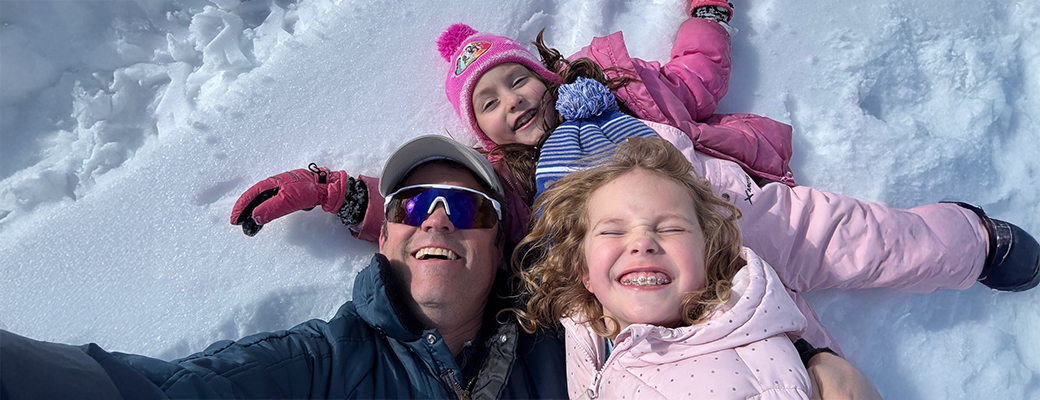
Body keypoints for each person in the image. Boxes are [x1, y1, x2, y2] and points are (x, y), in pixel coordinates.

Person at [230, 1, 1039, 353]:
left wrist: (708, 13)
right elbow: (442, 213)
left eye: (517, 82)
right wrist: (338, 193)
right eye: (491, 103)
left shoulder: (625, 87)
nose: (514, 102)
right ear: (481, 130)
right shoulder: (518, 189)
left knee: (875, 240)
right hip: (661, 283)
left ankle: (974, 239)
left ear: (543, 73)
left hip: (748, 215)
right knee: (781, 355)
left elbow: (697, 78)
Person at [0, 135, 570, 399]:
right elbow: (163, 392)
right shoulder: (324, 363)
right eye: (412, 205)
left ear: (500, 247)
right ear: (384, 239)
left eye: (468, 206)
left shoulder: (568, 344)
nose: (437, 222)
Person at [514, 136, 876, 399]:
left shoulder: (751, 359)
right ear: (583, 272)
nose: (643, 242)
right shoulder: (581, 337)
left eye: (671, 228)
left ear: (708, 255)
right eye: (613, 230)